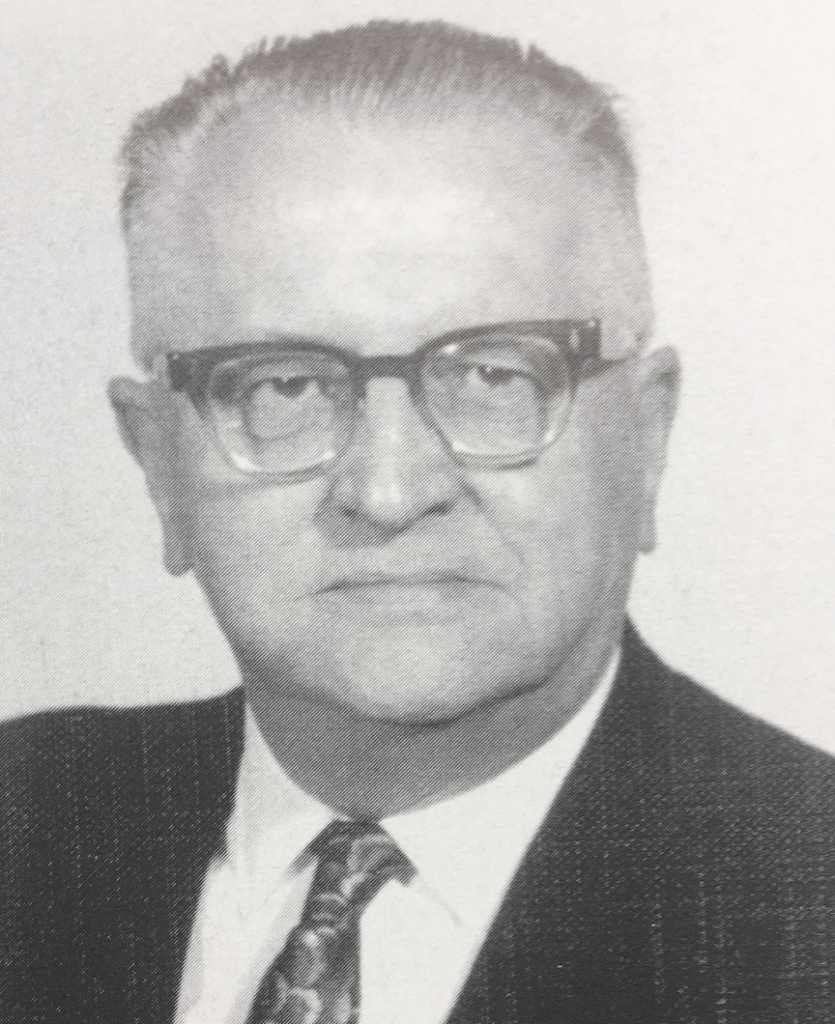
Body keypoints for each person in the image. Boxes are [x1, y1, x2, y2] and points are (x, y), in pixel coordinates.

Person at [1, 20, 833, 1024]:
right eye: (283, 385)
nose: (390, 491)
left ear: (646, 437)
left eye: (496, 376)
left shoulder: (807, 893)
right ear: (157, 465)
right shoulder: (28, 827)